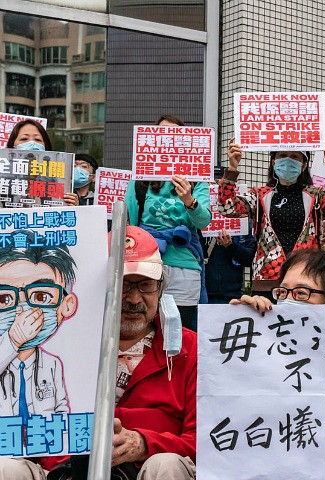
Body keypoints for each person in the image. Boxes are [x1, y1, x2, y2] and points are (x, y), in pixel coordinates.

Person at [0, 226, 197, 479]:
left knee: (166, 465)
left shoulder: (189, 349)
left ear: (160, 289)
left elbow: (205, 441)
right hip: (65, 470)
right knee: (6, 468)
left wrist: (144, 444)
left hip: (146, 470)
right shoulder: (56, 346)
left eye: (146, 286)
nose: (135, 299)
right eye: (123, 285)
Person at [219, 139, 325, 297]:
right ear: (273, 162)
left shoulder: (316, 195)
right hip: (266, 279)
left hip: (307, 277)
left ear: (304, 165)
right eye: (282, 155)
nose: (288, 160)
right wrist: (232, 168)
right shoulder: (258, 195)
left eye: (295, 157)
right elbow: (226, 207)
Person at [124, 115, 212, 330]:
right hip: (147, 264)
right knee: (145, 327)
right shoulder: (140, 181)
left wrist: (189, 200)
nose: (168, 141)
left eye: (175, 135)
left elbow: (203, 222)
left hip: (184, 267)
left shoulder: (197, 179)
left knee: (180, 330)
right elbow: (132, 227)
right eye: (162, 134)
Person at [0, 231, 78, 421]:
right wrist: (13, 341)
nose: (22, 311)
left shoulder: (52, 364)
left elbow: (62, 408)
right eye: (4, 298)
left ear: (67, 305)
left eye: (41, 296)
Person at [232, 248, 325, 313]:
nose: (287, 300)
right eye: (282, 292)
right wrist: (246, 320)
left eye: (301, 293)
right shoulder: (267, 341)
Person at [6, 119, 79, 207]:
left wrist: (74, 208)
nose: (32, 143)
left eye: (37, 139)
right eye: (24, 139)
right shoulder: (5, 173)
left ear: (45, 146)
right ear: (12, 145)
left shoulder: (57, 173)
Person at [204, 228, 256, 304]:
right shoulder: (198, 221)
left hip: (234, 294)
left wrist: (230, 246)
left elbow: (249, 259)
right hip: (202, 294)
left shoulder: (243, 222)